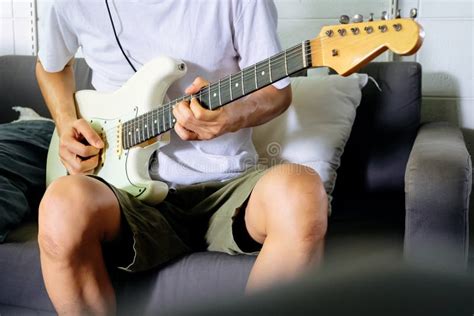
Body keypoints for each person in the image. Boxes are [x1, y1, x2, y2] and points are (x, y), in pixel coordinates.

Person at [36, 0, 329, 314]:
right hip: (125, 197)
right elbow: (50, 67)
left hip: (229, 185)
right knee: (60, 206)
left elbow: (277, 92)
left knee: (302, 193)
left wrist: (229, 117)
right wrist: (66, 123)